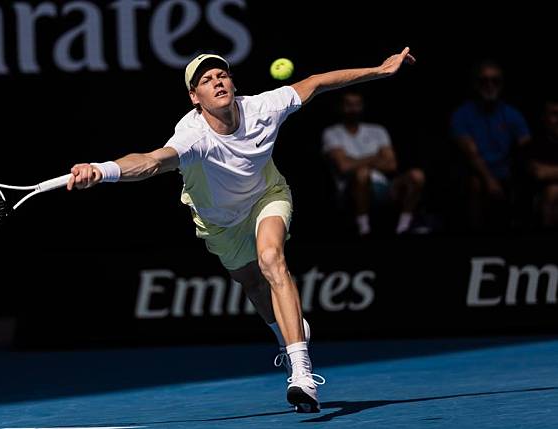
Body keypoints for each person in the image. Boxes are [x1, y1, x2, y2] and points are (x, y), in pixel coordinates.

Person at [67, 48, 416, 412]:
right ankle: (285, 334)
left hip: (267, 195)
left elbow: (316, 83)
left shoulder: (263, 107)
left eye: (221, 75)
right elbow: (152, 162)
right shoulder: (192, 136)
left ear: (232, 82)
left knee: (270, 259)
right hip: (219, 221)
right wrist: (103, 169)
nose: (216, 81)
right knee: (251, 281)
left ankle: (301, 372)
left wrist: (379, 69)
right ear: (194, 97)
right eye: (205, 80)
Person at [322, 90, 426, 235]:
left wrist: (354, 160)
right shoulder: (332, 133)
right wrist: (375, 157)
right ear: (340, 107)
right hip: (350, 190)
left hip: (383, 185)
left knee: (417, 175)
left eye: (357, 104)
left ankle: (404, 226)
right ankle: (364, 228)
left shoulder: (377, 130)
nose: (353, 109)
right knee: (362, 173)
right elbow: (344, 166)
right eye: (348, 104)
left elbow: (391, 165)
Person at [450, 59, 531, 232]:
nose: (489, 85)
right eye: (484, 81)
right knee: (475, 185)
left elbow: (527, 146)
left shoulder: (512, 114)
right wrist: (490, 180)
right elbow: (470, 153)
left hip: (507, 173)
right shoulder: (462, 114)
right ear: (475, 84)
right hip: (477, 172)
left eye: (495, 81)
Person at [528, 98, 558, 229]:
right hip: (541, 200)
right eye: (554, 114)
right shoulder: (534, 144)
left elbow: (546, 172)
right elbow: (539, 174)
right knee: (553, 191)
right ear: (544, 118)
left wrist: (551, 171)